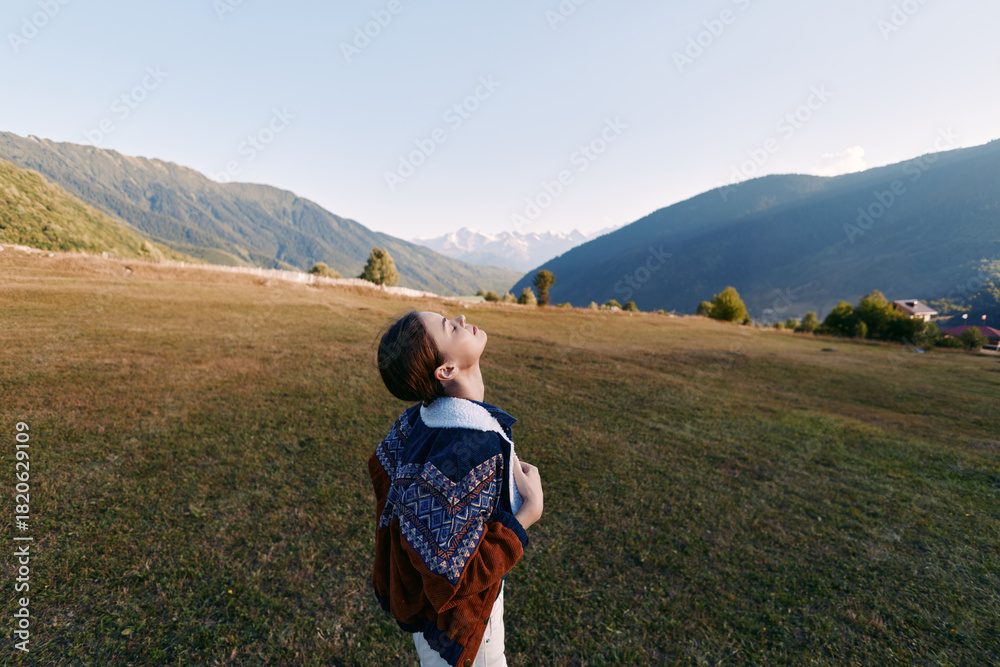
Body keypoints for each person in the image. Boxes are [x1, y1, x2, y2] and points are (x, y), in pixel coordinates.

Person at [369, 309, 544, 666]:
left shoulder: (418, 419)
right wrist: (526, 516)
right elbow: (453, 579)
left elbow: (383, 472)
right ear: (445, 370)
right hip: (462, 633)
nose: (463, 317)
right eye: (451, 326)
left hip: (430, 622)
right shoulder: (467, 451)